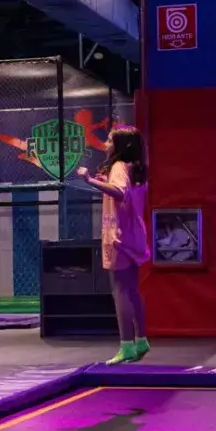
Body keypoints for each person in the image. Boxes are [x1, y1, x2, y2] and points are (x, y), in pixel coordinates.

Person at [77, 125, 150, 365]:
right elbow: (123, 192)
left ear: (120, 147)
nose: (105, 144)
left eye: (109, 140)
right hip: (134, 234)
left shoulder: (119, 166)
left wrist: (89, 180)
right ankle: (140, 339)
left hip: (119, 236)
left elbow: (119, 192)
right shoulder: (135, 168)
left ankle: (126, 345)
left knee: (120, 291)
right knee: (132, 290)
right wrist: (104, 182)